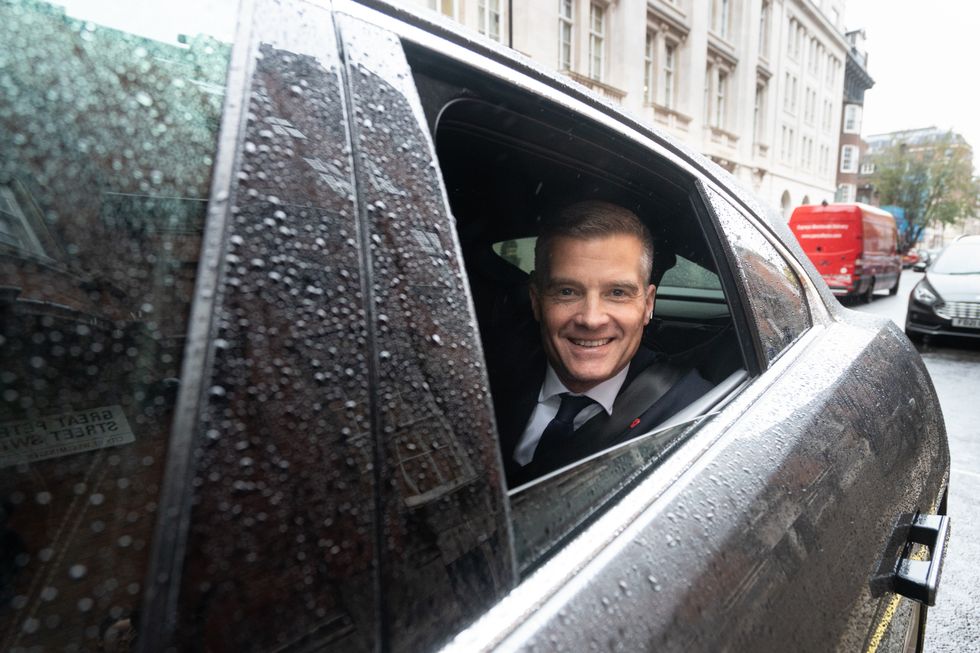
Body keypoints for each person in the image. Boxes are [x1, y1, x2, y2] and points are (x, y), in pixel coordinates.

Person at [495, 200, 712, 488]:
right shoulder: (489, 377)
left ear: (648, 305)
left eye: (618, 293)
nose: (591, 319)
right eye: (567, 291)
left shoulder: (693, 413)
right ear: (536, 300)